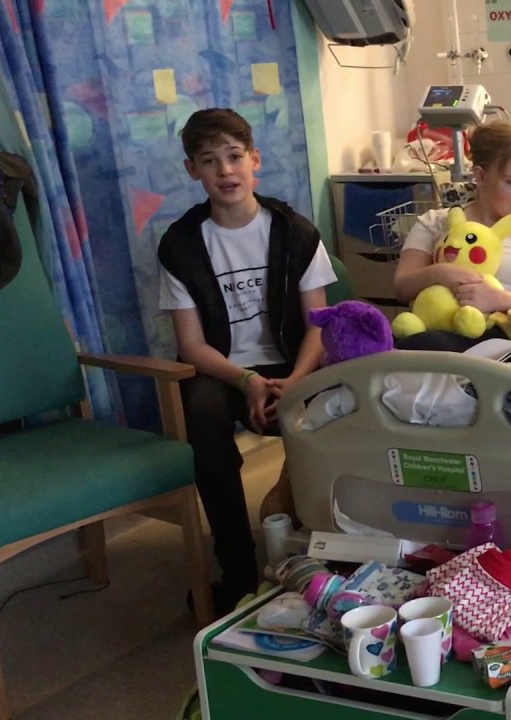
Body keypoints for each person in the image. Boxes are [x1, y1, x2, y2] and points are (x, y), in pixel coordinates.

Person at [158, 108, 337, 613]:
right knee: (205, 413)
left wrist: (295, 381)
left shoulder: (295, 233)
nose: (225, 171)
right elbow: (191, 345)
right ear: (193, 170)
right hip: (222, 370)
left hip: (295, 363)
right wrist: (247, 380)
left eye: (234, 157)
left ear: (254, 160)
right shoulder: (181, 245)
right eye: (210, 161)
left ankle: (330, 553)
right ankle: (236, 569)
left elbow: (318, 326)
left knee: (339, 409)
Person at [393, 121, 511, 352]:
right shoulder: (435, 222)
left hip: (503, 334)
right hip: (430, 325)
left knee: (426, 346)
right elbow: (401, 288)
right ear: (481, 176)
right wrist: (440, 273)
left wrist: (497, 299)